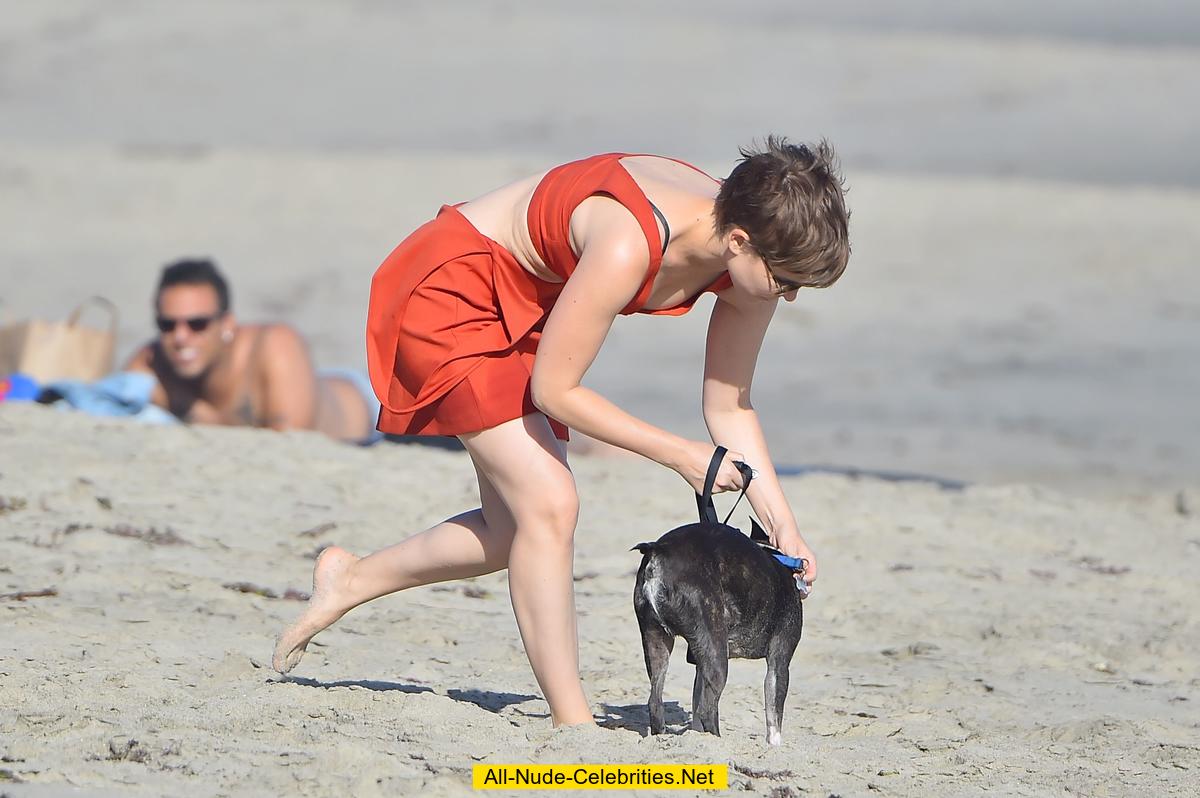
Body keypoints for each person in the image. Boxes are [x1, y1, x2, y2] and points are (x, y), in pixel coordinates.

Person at [273, 138, 851, 727]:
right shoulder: (631, 240)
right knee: (549, 506)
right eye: (786, 281)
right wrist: (681, 455)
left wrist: (785, 530)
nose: (791, 296)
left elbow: (730, 407)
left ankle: (348, 579)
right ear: (739, 242)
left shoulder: (753, 249)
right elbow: (557, 391)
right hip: (458, 284)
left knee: (510, 532)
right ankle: (571, 723)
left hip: (536, 303)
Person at [124, 259, 378, 442]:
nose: (180, 337)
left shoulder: (275, 346)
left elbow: (293, 447)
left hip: (370, 413)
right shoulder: (151, 364)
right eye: (167, 325)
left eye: (197, 324)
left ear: (227, 325)